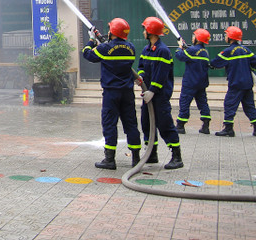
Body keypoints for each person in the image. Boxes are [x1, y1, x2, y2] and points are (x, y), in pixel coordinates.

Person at [81, 18, 142, 170]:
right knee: (131, 124)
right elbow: (116, 51)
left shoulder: (105, 49)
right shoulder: (131, 48)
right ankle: (136, 158)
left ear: (112, 32)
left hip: (111, 94)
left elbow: (87, 54)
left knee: (109, 124)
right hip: (127, 93)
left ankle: (109, 159)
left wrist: (91, 40)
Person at [138, 16, 184, 170]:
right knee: (146, 123)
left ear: (151, 32)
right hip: (148, 94)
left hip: (160, 95)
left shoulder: (163, 51)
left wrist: (152, 90)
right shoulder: (146, 49)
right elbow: (142, 66)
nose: (143, 31)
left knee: (164, 124)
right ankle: (152, 153)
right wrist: (141, 78)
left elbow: (161, 74)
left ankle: (176, 156)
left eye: (145, 29)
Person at [209, 26, 256, 137]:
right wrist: (250, 70)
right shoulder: (246, 49)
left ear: (230, 37)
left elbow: (215, 62)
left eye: (226, 35)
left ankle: (228, 129)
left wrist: (209, 64)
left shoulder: (228, 51)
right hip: (247, 83)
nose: (225, 37)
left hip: (236, 84)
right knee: (249, 106)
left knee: (229, 104)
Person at [174, 28, 212, 135]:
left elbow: (180, 56)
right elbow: (192, 54)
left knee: (184, 103)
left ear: (198, 39)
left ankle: (180, 126)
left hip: (190, 83)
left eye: (194, 35)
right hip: (201, 84)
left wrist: (180, 47)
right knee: (203, 103)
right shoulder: (204, 52)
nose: (192, 37)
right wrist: (186, 47)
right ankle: (206, 126)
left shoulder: (192, 51)